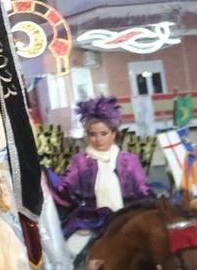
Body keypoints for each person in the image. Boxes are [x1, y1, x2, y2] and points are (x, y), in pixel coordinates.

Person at [49, 95, 154, 251]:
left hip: (125, 221)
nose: (98, 140)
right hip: (89, 223)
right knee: (69, 253)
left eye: (103, 134)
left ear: (113, 134)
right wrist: (46, 177)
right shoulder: (80, 161)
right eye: (92, 134)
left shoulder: (129, 160)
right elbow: (65, 190)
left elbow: (143, 190)